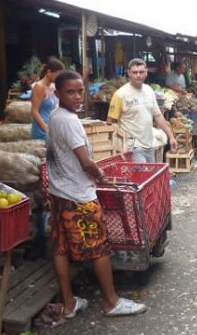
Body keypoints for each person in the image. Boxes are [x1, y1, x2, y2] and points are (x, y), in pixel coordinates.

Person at [47, 71, 147, 318]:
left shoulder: (56, 116)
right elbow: (85, 162)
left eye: (81, 90)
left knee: (60, 248)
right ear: (57, 94)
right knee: (100, 248)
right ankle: (112, 302)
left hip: (59, 192)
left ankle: (69, 304)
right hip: (79, 195)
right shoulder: (69, 121)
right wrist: (101, 176)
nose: (77, 96)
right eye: (71, 92)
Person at [107, 58, 177, 162]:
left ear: (146, 73)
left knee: (149, 176)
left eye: (141, 72)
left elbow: (157, 116)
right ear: (129, 73)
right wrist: (118, 145)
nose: (138, 75)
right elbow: (110, 123)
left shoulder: (149, 91)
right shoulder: (120, 95)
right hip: (132, 147)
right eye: (135, 72)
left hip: (149, 145)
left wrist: (171, 137)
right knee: (141, 176)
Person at [31, 58, 65, 140]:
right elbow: (34, 111)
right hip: (42, 130)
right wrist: (47, 130)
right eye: (58, 74)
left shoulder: (53, 86)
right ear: (49, 72)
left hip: (52, 127)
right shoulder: (39, 86)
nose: (59, 77)